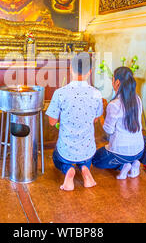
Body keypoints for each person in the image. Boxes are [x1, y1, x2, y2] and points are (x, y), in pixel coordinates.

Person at [46, 52, 103, 191]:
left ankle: (68, 170)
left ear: (71, 69)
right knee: (86, 156)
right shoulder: (97, 93)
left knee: (56, 157)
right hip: (87, 150)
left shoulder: (60, 93)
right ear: (90, 72)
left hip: (66, 150)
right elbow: (96, 118)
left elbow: (52, 122)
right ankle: (84, 168)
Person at [92, 67, 144, 179]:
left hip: (120, 152)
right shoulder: (138, 99)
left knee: (95, 160)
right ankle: (133, 165)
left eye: (112, 79)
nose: (112, 82)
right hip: (139, 151)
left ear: (117, 82)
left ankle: (123, 166)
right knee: (113, 154)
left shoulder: (115, 104)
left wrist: (101, 114)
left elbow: (108, 130)